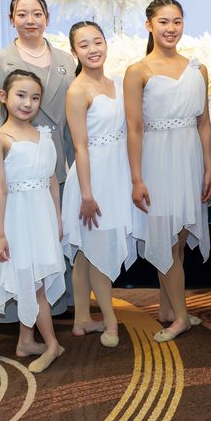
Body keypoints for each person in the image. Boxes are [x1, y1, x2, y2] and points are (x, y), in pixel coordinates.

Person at [0, 0, 75, 320]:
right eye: (22, 14)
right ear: (11, 19)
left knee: (51, 238)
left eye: (37, 13)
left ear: (47, 17)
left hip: (52, 162)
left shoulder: (65, 60)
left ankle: (54, 309)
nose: (30, 20)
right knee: (18, 245)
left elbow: (70, 121)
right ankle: (18, 318)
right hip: (14, 168)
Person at [125, 0, 211, 343]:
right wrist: (136, 178)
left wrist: (208, 167)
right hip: (157, 161)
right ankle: (181, 317)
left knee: (178, 238)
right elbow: (134, 128)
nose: (171, 28)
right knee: (166, 239)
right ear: (149, 25)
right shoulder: (138, 71)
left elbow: (204, 123)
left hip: (189, 158)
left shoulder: (198, 69)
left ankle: (168, 309)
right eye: (163, 22)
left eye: (177, 21)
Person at [62, 22, 137, 348]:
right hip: (92, 180)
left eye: (97, 42)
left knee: (85, 253)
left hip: (116, 173)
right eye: (84, 45)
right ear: (74, 51)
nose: (93, 49)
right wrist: (87, 195)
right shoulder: (77, 91)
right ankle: (110, 321)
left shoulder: (116, 82)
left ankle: (81, 319)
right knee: (99, 251)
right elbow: (80, 147)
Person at [0, 70, 65, 373]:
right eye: (21, 95)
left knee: (33, 280)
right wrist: (0, 233)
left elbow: (52, 180)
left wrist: (57, 217)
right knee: (32, 284)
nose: (28, 103)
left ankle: (26, 341)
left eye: (34, 97)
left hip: (42, 217)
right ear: (3, 97)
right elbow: (0, 189)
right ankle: (52, 344)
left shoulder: (44, 135)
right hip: (18, 219)